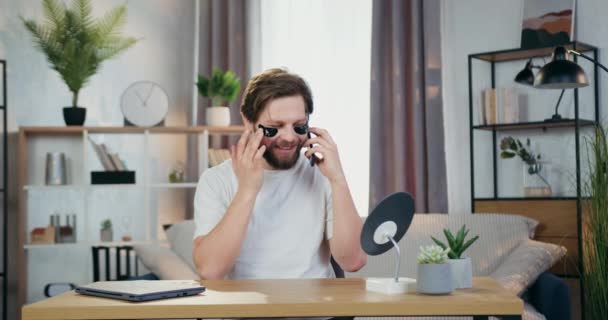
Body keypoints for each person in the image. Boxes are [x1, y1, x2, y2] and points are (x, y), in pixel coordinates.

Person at [192, 68, 366, 280]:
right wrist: (247, 190)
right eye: (274, 128)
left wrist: (338, 180)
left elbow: (353, 261)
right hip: (249, 311)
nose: (289, 137)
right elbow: (210, 270)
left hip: (317, 310)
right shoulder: (216, 180)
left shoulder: (323, 174)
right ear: (248, 121)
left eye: (299, 126)